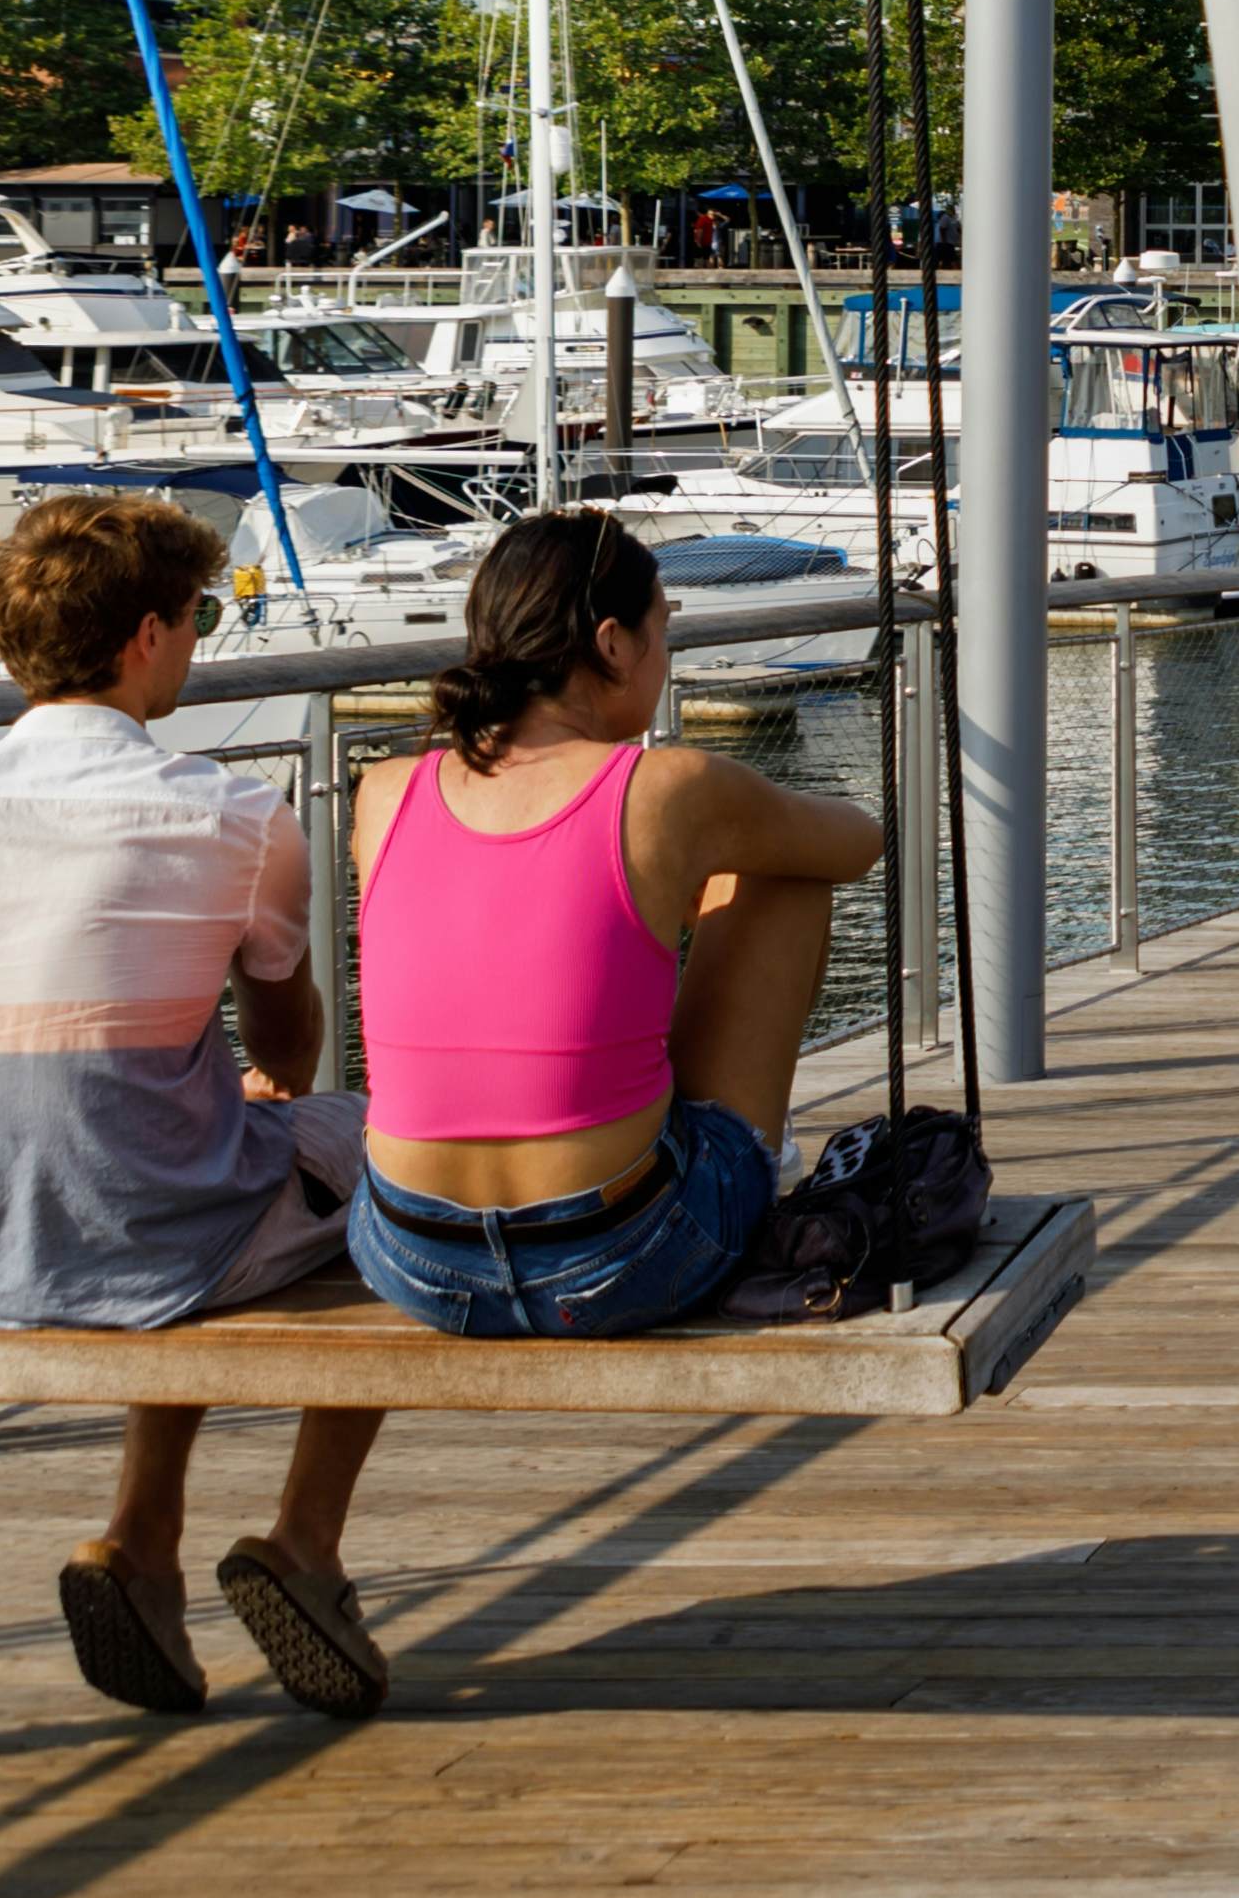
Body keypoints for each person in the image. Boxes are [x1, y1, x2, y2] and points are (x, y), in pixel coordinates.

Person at [0, 490, 393, 1725]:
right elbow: (287, 1037)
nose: (196, 639)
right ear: (146, 635)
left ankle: (144, 1545)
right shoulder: (234, 813)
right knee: (405, 1159)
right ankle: (305, 1541)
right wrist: (275, 1087)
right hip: (158, 1230)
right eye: (194, 618)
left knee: (187, 1157)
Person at [345, 510, 882, 1349]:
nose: (665, 656)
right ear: (612, 644)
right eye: (663, 628)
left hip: (413, 1257)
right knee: (785, 872)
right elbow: (857, 842)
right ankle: (747, 1160)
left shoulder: (385, 792)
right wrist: (700, 860)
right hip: (617, 1262)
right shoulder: (667, 787)